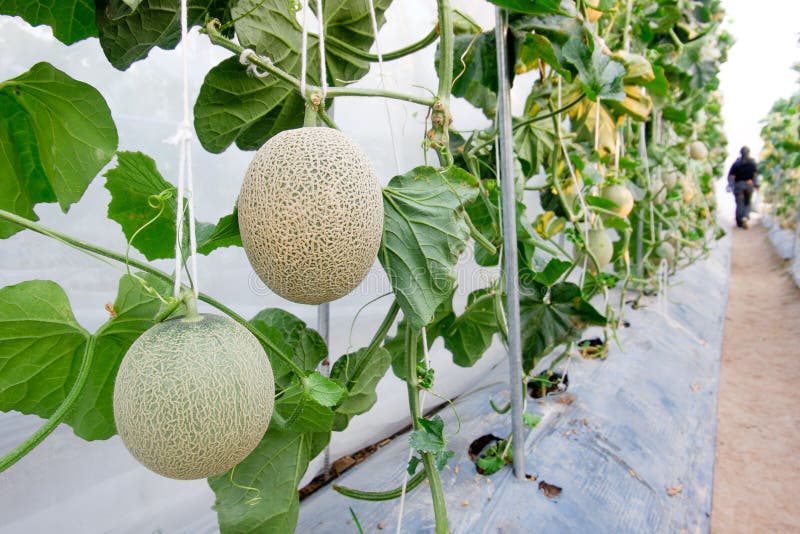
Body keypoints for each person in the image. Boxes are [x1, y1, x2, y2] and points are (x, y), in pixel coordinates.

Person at [727, 146, 759, 229]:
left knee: (739, 203)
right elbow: (755, 176)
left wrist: (730, 185)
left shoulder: (736, 163)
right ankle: (745, 217)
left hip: (739, 185)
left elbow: (731, 176)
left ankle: (739, 221)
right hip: (749, 185)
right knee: (747, 202)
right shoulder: (752, 163)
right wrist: (756, 185)